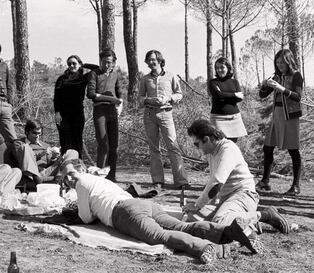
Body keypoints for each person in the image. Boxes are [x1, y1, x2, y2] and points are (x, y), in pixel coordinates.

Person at [62, 149, 263, 265]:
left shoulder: (82, 182)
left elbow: (86, 218)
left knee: (160, 236)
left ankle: (205, 247)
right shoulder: (100, 180)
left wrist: (78, 207)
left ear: (80, 169)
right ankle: (230, 231)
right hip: (143, 205)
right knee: (180, 226)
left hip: (124, 212)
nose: (69, 178)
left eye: (71, 173)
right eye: (66, 176)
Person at [184, 119, 290, 234]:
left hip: (243, 195)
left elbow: (217, 183)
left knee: (220, 222)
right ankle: (247, 224)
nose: (197, 148)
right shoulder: (213, 152)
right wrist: (200, 208)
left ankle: (264, 215)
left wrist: (197, 204)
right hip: (227, 200)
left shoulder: (227, 149)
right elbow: (215, 187)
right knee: (192, 217)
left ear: (207, 139)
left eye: (196, 144)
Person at [138, 50, 189, 190]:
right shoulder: (145, 79)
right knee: (154, 148)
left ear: (160, 60)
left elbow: (179, 94)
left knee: (173, 146)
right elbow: (140, 98)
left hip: (166, 114)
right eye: (149, 60)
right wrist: (149, 99)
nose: (151, 62)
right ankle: (158, 181)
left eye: (153, 59)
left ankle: (181, 181)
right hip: (149, 115)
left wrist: (168, 98)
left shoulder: (171, 76)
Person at [256, 49, 303, 195]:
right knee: (268, 147)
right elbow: (262, 95)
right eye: (277, 62)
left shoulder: (296, 75)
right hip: (276, 114)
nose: (280, 64)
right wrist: (264, 85)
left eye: (282, 62)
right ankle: (265, 182)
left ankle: (295, 186)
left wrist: (282, 88)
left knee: (293, 150)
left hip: (290, 115)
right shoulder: (276, 76)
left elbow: (298, 96)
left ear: (289, 61)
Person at [86, 49, 123, 182]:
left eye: (109, 62)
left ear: (113, 63)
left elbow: (119, 93)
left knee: (114, 146)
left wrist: (120, 105)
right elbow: (90, 94)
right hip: (100, 111)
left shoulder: (115, 74)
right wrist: (107, 98)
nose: (107, 65)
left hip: (113, 111)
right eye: (104, 62)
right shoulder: (94, 74)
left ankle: (111, 177)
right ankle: (100, 176)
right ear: (100, 61)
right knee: (103, 144)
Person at [54, 55, 98, 157]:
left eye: (74, 63)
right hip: (63, 115)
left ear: (79, 64)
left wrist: (85, 64)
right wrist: (57, 112)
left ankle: (78, 164)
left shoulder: (84, 78)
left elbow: (98, 69)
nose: (71, 65)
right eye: (69, 64)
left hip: (78, 114)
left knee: (77, 140)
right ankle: (65, 165)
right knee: (65, 141)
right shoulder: (62, 79)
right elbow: (57, 97)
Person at [12, 119, 64, 186]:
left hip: (45, 172)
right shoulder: (18, 143)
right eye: (34, 133)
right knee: (25, 147)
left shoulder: (45, 146)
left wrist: (54, 158)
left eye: (39, 133)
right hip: (29, 174)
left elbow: (50, 165)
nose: (37, 136)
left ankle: (64, 181)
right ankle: (35, 176)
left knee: (70, 153)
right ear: (27, 132)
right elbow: (20, 159)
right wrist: (40, 155)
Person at [208, 57, 247, 143]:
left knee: (232, 146)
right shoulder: (213, 82)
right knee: (219, 144)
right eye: (217, 68)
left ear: (228, 68)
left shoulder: (234, 82)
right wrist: (234, 95)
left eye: (222, 67)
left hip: (234, 118)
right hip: (218, 118)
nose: (219, 70)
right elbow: (217, 95)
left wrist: (224, 95)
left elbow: (239, 99)